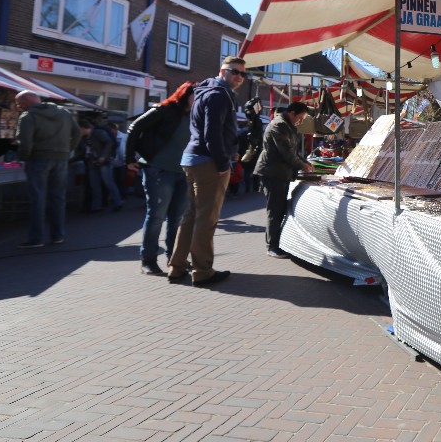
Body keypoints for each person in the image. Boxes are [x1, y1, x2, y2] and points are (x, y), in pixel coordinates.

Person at [168, 56, 247, 287]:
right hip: (208, 162)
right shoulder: (219, 95)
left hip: (192, 158)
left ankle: (176, 267)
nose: (239, 77)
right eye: (235, 72)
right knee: (206, 219)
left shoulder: (204, 90)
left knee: (191, 216)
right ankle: (202, 271)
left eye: (243, 74)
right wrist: (223, 163)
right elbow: (212, 134)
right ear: (222, 71)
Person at [125, 82, 195, 275]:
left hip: (183, 172)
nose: (199, 100)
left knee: (177, 218)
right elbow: (134, 127)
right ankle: (148, 260)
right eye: (196, 95)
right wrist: (129, 159)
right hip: (159, 170)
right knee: (156, 216)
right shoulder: (164, 110)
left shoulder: (196, 115)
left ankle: (175, 258)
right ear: (185, 94)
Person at [14, 90, 81, 248]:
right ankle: (57, 236)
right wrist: (67, 151)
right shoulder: (64, 112)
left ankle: (36, 239)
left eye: (19, 103)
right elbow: (77, 133)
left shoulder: (28, 116)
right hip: (61, 159)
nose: (18, 106)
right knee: (58, 198)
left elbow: (25, 142)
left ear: (26, 102)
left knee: (37, 199)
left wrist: (24, 157)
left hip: (38, 159)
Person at [254, 101, 313, 258]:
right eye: (300, 118)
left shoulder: (288, 125)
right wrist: (302, 166)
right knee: (275, 211)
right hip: (273, 173)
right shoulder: (279, 125)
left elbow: (293, 151)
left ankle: (277, 243)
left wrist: (304, 162)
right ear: (292, 113)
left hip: (280, 173)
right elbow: (286, 152)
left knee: (279, 210)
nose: (300, 121)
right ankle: (272, 247)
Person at [81, 119, 123, 212]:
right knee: (95, 185)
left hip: (104, 161)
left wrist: (104, 156)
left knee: (108, 182)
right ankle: (97, 206)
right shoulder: (85, 138)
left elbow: (109, 143)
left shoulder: (98, 133)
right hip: (93, 162)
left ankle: (117, 203)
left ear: (83, 128)